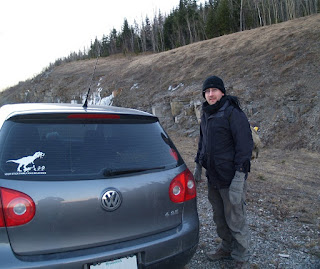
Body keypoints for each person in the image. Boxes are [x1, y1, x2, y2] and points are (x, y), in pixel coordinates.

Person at [193, 75, 253, 269]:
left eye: (214, 90)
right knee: (219, 217)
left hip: (231, 177)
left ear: (222, 92)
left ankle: (241, 255)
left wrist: (239, 177)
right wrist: (198, 166)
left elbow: (245, 147)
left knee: (235, 218)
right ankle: (226, 248)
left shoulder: (233, 113)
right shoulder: (207, 113)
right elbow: (203, 142)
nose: (210, 94)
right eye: (207, 91)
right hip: (214, 177)